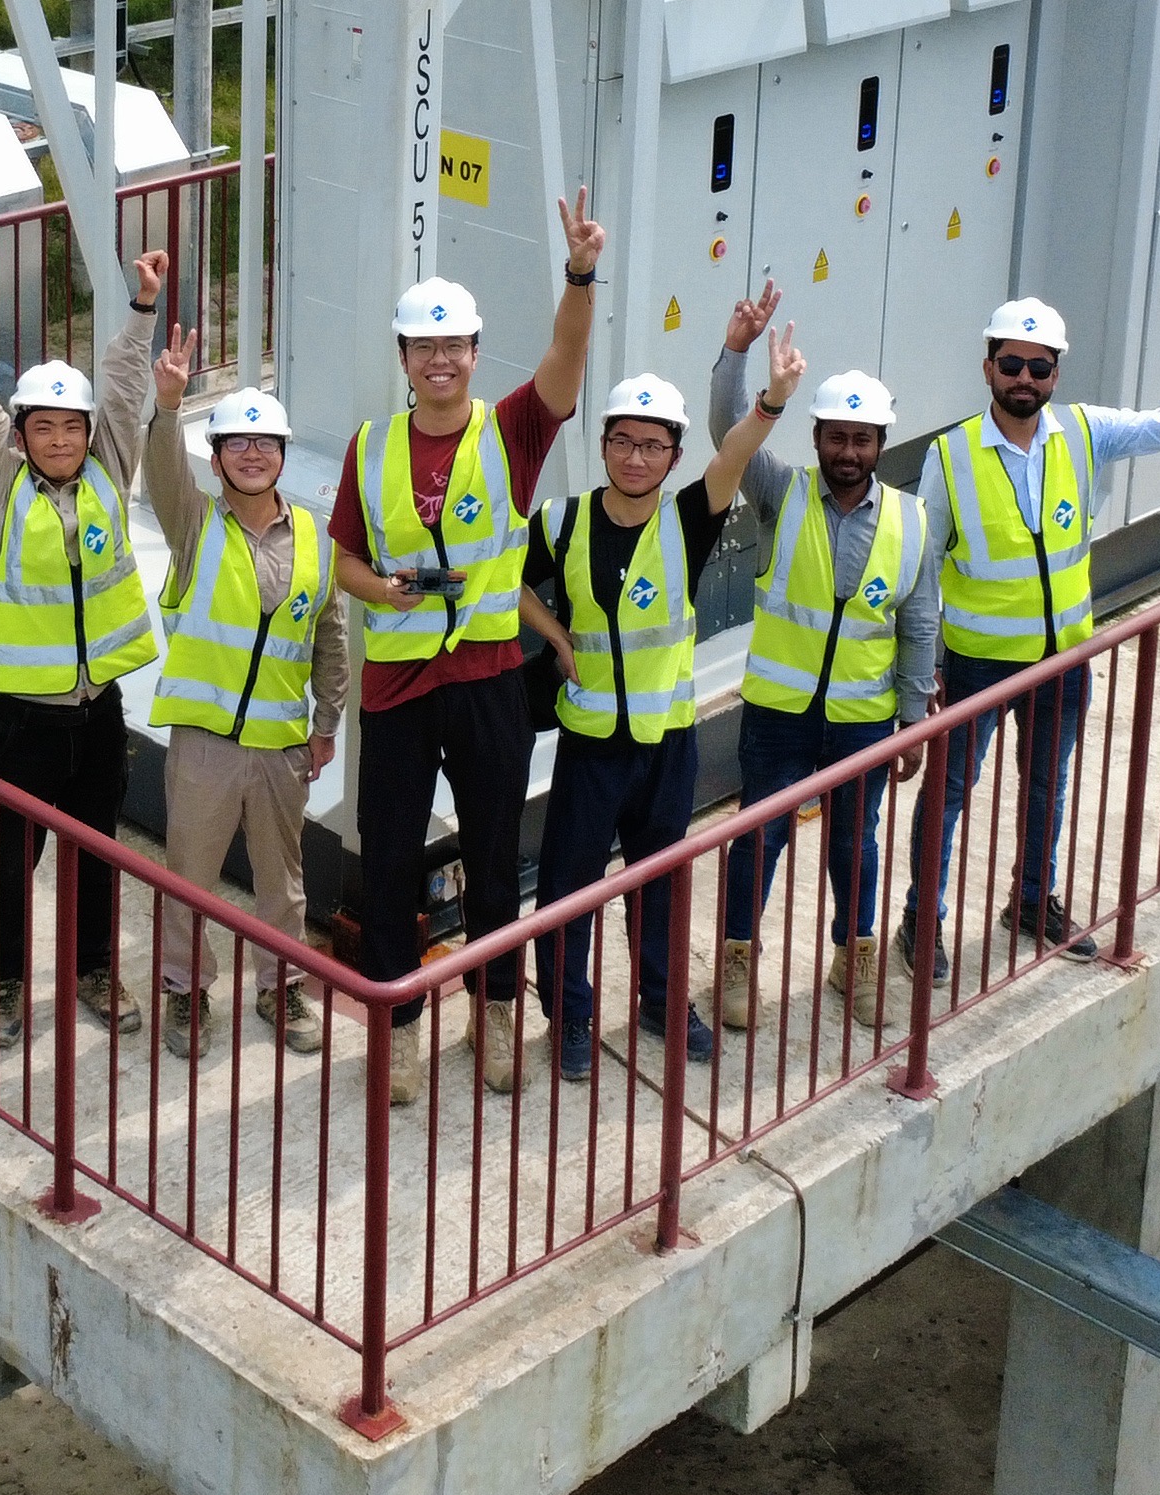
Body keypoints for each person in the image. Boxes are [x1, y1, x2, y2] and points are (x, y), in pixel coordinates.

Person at [329, 191, 608, 1103]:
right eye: (424, 347)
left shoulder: (512, 430)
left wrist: (579, 275)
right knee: (389, 864)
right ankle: (400, 1030)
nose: (440, 360)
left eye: (454, 345)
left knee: (492, 860)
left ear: (476, 354)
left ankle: (494, 1017)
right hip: (397, 690)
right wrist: (382, 590)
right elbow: (345, 559)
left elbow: (566, 362)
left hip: (488, 679)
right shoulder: (371, 447)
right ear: (404, 360)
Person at [911, 280, 1160, 967]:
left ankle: (1032, 901)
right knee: (947, 793)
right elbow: (921, 574)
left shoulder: (1084, 433)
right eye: (1012, 364)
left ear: (1055, 374)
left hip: (1062, 660)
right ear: (988, 367)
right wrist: (924, 672)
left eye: (1039, 367)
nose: (1025, 378)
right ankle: (921, 920)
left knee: (1048, 787)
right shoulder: (949, 456)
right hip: (976, 665)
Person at [519, 338, 799, 1081]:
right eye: (622, 441)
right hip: (589, 743)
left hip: (667, 742)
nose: (635, 458)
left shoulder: (688, 520)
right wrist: (555, 635)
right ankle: (570, 1015)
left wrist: (770, 397)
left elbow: (734, 454)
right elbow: (505, 578)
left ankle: (662, 1002)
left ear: (674, 456)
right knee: (567, 889)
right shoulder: (563, 521)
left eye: (652, 446)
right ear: (602, 445)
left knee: (662, 883)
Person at [0, 250, 166, 1049]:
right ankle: (7, 983)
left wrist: (141, 308)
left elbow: (124, 391)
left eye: (71, 426)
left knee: (98, 851)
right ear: (22, 435)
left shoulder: (108, 471)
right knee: (12, 861)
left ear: (89, 435)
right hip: (22, 720)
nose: (60, 439)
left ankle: (94, 967)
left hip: (98, 712)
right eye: (43, 427)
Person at [706, 280, 923, 1027]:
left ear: (880, 445)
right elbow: (727, 432)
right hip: (779, 714)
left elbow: (918, 626)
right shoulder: (780, 492)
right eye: (836, 438)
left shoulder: (911, 520)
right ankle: (737, 961)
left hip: (864, 719)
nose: (848, 453)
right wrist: (737, 353)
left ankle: (853, 959)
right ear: (817, 438)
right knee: (758, 838)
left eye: (862, 440)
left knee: (855, 845)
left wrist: (913, 720)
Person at [138, 322, 349, 1060]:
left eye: (265, 443)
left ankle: (280, 985)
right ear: (217, 454)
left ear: (283, 454)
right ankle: (184, 988)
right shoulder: (196, 523)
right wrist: (168, 406)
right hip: (206, 743)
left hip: (282, 745)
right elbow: (162, 473)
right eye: (237, 443)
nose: (252, 453)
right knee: (190, 877)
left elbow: (329, 639)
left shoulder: (316, 539)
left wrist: (326, 725)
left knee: (282, 881)